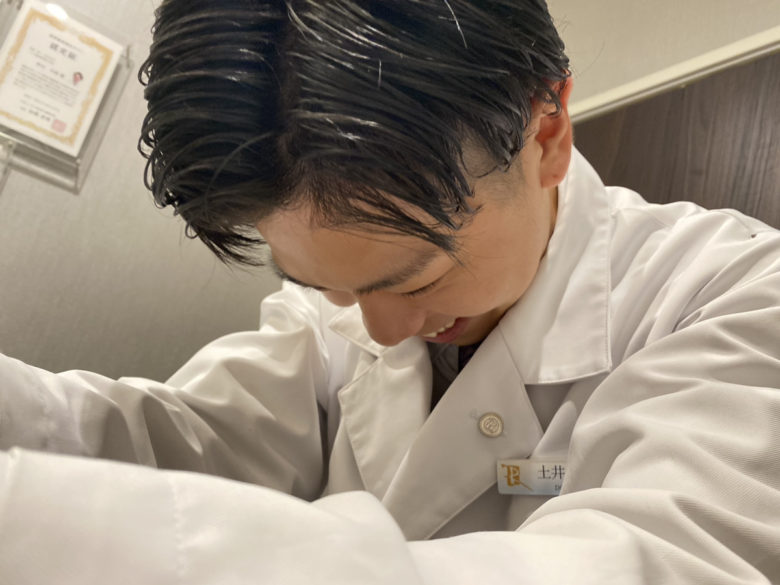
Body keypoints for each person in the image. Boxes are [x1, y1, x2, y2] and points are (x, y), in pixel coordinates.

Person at [1, 1, 779, 583]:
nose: (379, 328)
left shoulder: (731, 293)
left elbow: (660, 559)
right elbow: (189, 439)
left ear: (546, 132)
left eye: (417, 279)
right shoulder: (332, 315)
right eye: (321, 285)